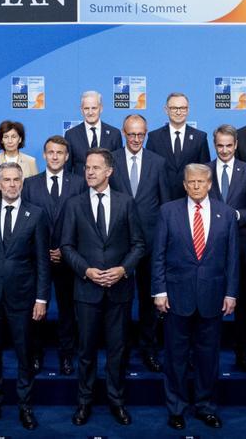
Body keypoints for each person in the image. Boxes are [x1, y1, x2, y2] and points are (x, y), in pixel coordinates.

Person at [60, 147, 145, 427]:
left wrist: (122, 270)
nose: (89, 172)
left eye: (95, 167)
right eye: (87, 167)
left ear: (109, 171)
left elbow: (138, 245)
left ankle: (116, 401)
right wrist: (86, 270)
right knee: (85, 351)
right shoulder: (74, 204)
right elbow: (67, 246)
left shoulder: (126, 202)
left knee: (117, 350)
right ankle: (84, 402)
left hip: (119, 291)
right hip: (87, 290)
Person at [152, 163, 238, 431]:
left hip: (213, 296)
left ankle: (205, 407)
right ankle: (176, 408)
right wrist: (159, 291)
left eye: (201, 181)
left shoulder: (226, 214)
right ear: (184, 184)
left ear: (210, 184)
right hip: (176, 297)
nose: (197, 186)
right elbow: (158, 254)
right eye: (192, 182)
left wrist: (231, 293)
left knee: (208, 358)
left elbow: (232, 259)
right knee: (175, 357)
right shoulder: (168, 211)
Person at [0, 162, 51, 430]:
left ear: (22, 183)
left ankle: (25, 406)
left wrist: (41, 299)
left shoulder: (36, 214)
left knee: (25, 354)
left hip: (23, 298)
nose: (12, 184)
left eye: (17, 180)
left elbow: (42, 262)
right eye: (7, 180)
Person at [109, 114, 170, 373]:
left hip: (149, 244)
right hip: (118, 244)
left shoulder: (158, 162)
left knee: (148, 300)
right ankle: (119, 351)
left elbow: (165, 205)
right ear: (124, 133)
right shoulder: (111, 160)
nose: (136, 139)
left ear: (146, 134)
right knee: (120, 302)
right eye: (131, 134)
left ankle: (149, 349)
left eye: (140, 134)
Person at [22, 135, 85, 375]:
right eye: (51, 152)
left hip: (68, 259)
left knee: (68, 311)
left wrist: (64, 249)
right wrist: (42, 250)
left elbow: (83, 221)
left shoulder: (79, 183)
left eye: (60, 152)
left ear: (67, 156)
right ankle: (36, 354)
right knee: (36, 309)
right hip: (37, 259)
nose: (55, 156)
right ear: (44, 155)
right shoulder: (30, 184)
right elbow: (25, 222)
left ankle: (66, 355)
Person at [207, 123, 246, 373]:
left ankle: (242, 352)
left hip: (241, 247)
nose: (224, 150)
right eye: (220, 146)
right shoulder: (205, 170)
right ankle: (207, 354)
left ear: (236, 145)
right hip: (208, 249)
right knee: (208, 302)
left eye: (229, 145)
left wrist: (237, 215)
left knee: (242, 303)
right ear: (214, 145)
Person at [146, 92, 210, 200]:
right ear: (166, 110)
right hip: (161, 199)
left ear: (188, 110)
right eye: (174, 108)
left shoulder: (200, 137)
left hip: (191, 199)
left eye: (183, 108)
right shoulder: (154, 137)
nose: (178, 112)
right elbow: (149, 172)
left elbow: (204, 171)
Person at [64, 91, 123, 171]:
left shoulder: (114, 134)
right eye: (86, 108)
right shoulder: (71, 135)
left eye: (94, 108)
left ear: (101, 108)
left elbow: (118, 168)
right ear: (81, 110)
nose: (90, 112)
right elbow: (67, 169)